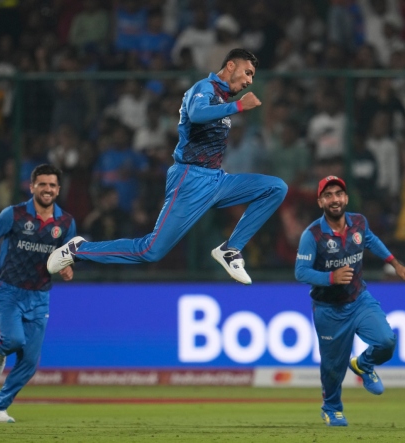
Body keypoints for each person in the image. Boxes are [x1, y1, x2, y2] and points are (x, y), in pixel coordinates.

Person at [47, 49, 287, 284]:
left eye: (253, 76)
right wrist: (239, 107)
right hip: (190, 179)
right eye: (247, 72)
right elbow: (197, 114)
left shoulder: (222, 99)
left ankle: (230, 249)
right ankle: (77, 250)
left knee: (275, 188)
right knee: (150, 250)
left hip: (217, 180)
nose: (249, 80)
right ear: (231, 66)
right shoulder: (204, 88)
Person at [295, 176, 405, 427]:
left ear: (346, 198)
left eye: (338, 193)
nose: (334, 199)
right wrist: (331, 277)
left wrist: (395, 263)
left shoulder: (359, 222)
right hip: (328, 309)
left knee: (386, 341)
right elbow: (301, 272)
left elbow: (371, 240)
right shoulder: (312, 235)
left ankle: (363, 364)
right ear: (320, 202)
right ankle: (331, 409)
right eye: (328, 195)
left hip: (359, 299)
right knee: (333, 367)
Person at [0, 164, 77, 423]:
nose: (47, 189)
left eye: (52, 185)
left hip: (40, 296)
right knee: (13, 341)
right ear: (31, 187)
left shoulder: (66, 222)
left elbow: (66, 256)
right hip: (9, 290)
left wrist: (67, 269)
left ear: (58, 189)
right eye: (42, 184)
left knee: (30, 361)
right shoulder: (15, 214)